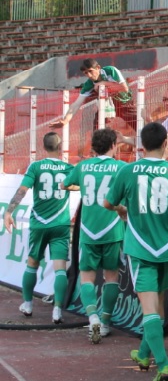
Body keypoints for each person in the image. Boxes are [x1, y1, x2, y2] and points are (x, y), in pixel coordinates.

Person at [104, 122, 168, 381]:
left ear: (142, 145)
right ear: (165, 143)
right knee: (157, 309)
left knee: (148, 310)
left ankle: (163, 364)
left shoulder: (129, 170)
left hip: (140, 247)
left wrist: (123, 210)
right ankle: (145, 354)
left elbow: (107, 202)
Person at [61, 128, 127, 343]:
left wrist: (79, 185)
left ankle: (92, 318)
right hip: (113, 227)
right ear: (114, 145)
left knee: (87, 277)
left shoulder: (82, 166)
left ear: (93, 147)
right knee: (111, 277)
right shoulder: (121, 167)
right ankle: (106, 321)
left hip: (89, 230)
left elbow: (65, 184)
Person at [3, 132, 74, 324]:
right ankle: (57, 310)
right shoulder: (68, 168)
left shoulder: (35, 166)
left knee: (32, 263)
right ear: (60, 148)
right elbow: (77, 186)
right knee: (60, 268)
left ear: (44, 147)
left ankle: (27, 304)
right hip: (60, 222)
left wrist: (8, 211)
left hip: (39, 223)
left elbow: (22, 190)